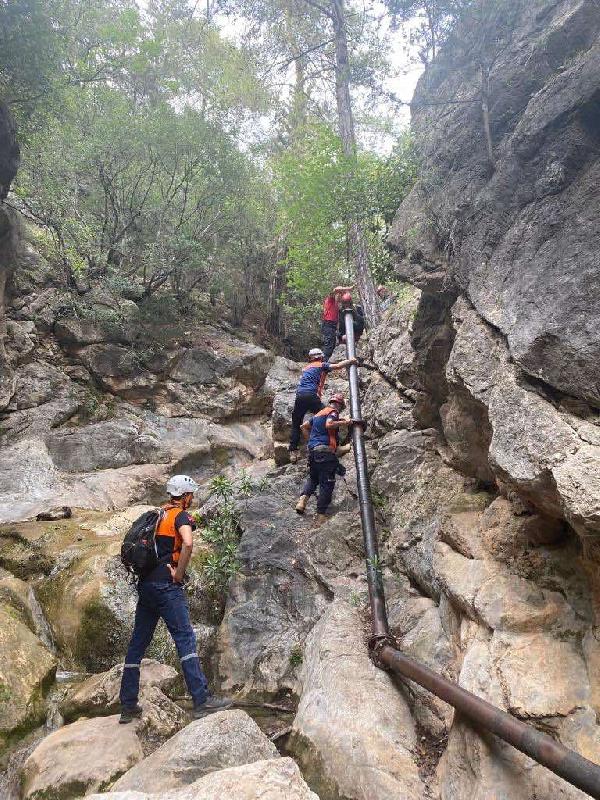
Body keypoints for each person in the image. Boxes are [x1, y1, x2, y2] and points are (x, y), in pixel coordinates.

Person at [119, 474, 232, 723]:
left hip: (146, 585)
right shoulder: (179, 516)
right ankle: (201, 700)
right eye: (191, 495)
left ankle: (127, 706)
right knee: (185, 639)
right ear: (186, 495)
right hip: (166, 587)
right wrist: (179, 574)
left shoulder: (157, 515)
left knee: (137, 644)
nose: (192, 499)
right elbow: (188, 544)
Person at [294, 393, 359, 524]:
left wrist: (311, 442)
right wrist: (345, 422)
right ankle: (321, 515)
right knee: (327, 483)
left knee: (313, 478)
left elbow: (303, 427)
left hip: (313, 452)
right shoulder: (333, 412)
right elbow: (330, 425)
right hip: (325, 454)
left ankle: (302, 501)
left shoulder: (319, 414)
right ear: (339, 405)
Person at [289, 348, 356, 463]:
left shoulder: (306, 368)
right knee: (330, 414)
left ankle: (293, 451)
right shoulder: (321, 365)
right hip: (312, 395)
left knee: (296, 423)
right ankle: (337, 446)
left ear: (310, 358)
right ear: (320, 357)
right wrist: (351, 361)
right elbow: (338, 366)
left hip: (300, 396)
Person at [322, 284, 354, 359]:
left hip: (332, 327)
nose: (341, 296)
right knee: (328, 346)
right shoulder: (331, 300)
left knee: (331, 346)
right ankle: (323, 366)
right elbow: (336, 289)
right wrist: (349, 288)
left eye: (341, 295)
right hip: (328, 325)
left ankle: (326, 364)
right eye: (340, 294)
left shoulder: (337, 305)